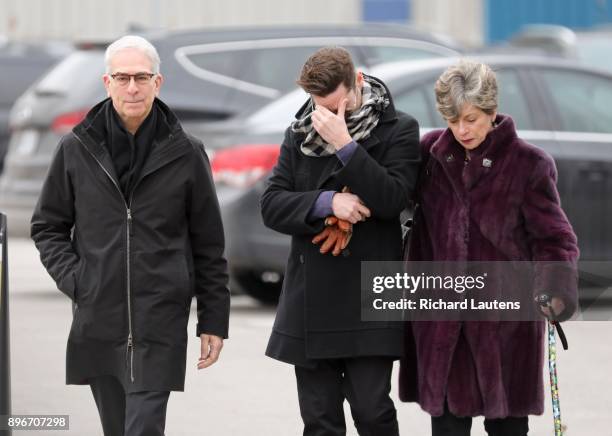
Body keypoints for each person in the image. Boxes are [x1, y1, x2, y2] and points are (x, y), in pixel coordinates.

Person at [30, 35, 230, 436]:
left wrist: (213, 318)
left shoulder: (187, 153)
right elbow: (47, 226)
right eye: (122, 78)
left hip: (161, 319)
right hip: (99, 316)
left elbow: (208, 243)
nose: (133, 87)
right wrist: (79, 280)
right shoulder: (76, 149)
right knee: (118, 428)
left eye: (142, 77)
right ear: (107, 83)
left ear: (159, 82)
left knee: (143, 427)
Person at [399, 60, 579, 436]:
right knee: (446, 426)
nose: (461, 130)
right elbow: (391, 195)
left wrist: (553, 289)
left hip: (504, 325)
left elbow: (555, 239)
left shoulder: (529, 164)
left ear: (492, 111)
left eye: (471, 119)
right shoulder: (430, 154)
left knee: (508, 428)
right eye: (452, 121)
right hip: (443, 323)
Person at [260, 46, 421, 436]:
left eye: (337, 105)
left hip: (370, 293)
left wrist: (347, 145)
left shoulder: (399, 129)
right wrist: (326, 201)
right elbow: (271, 205)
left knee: (372, 412)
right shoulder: (299, 133)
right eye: (320, 106)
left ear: (358, 83)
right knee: (319, 420)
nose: (329, 117)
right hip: (312, 298)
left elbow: (393, 198)